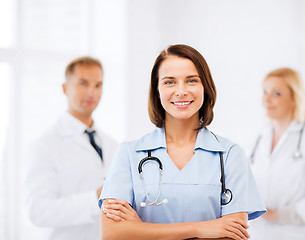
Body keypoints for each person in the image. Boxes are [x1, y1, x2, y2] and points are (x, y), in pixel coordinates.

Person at [99, 44, 266, 240]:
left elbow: (232, 236)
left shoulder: (230, 155)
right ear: (157, 90)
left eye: (191, 81)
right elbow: (112, 233)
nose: (181, 91)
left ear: (206, 87)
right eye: (169, 82)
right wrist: (200, 229)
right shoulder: (129, 153)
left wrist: (141, 229)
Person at [25, 57, 118, 240]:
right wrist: (96, 198)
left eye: (98, 85)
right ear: (65, 88)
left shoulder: (113, 145)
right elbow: (38, 210)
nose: (92, 92)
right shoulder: (44, 145)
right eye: (83, 83)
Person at [248, 68, 305, 240]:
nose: (267, 99)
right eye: (265, 92)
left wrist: (280, 215)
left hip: (297, 235)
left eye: (276, 93)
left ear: (294, 99)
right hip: (259, 234)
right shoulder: (260, 136)